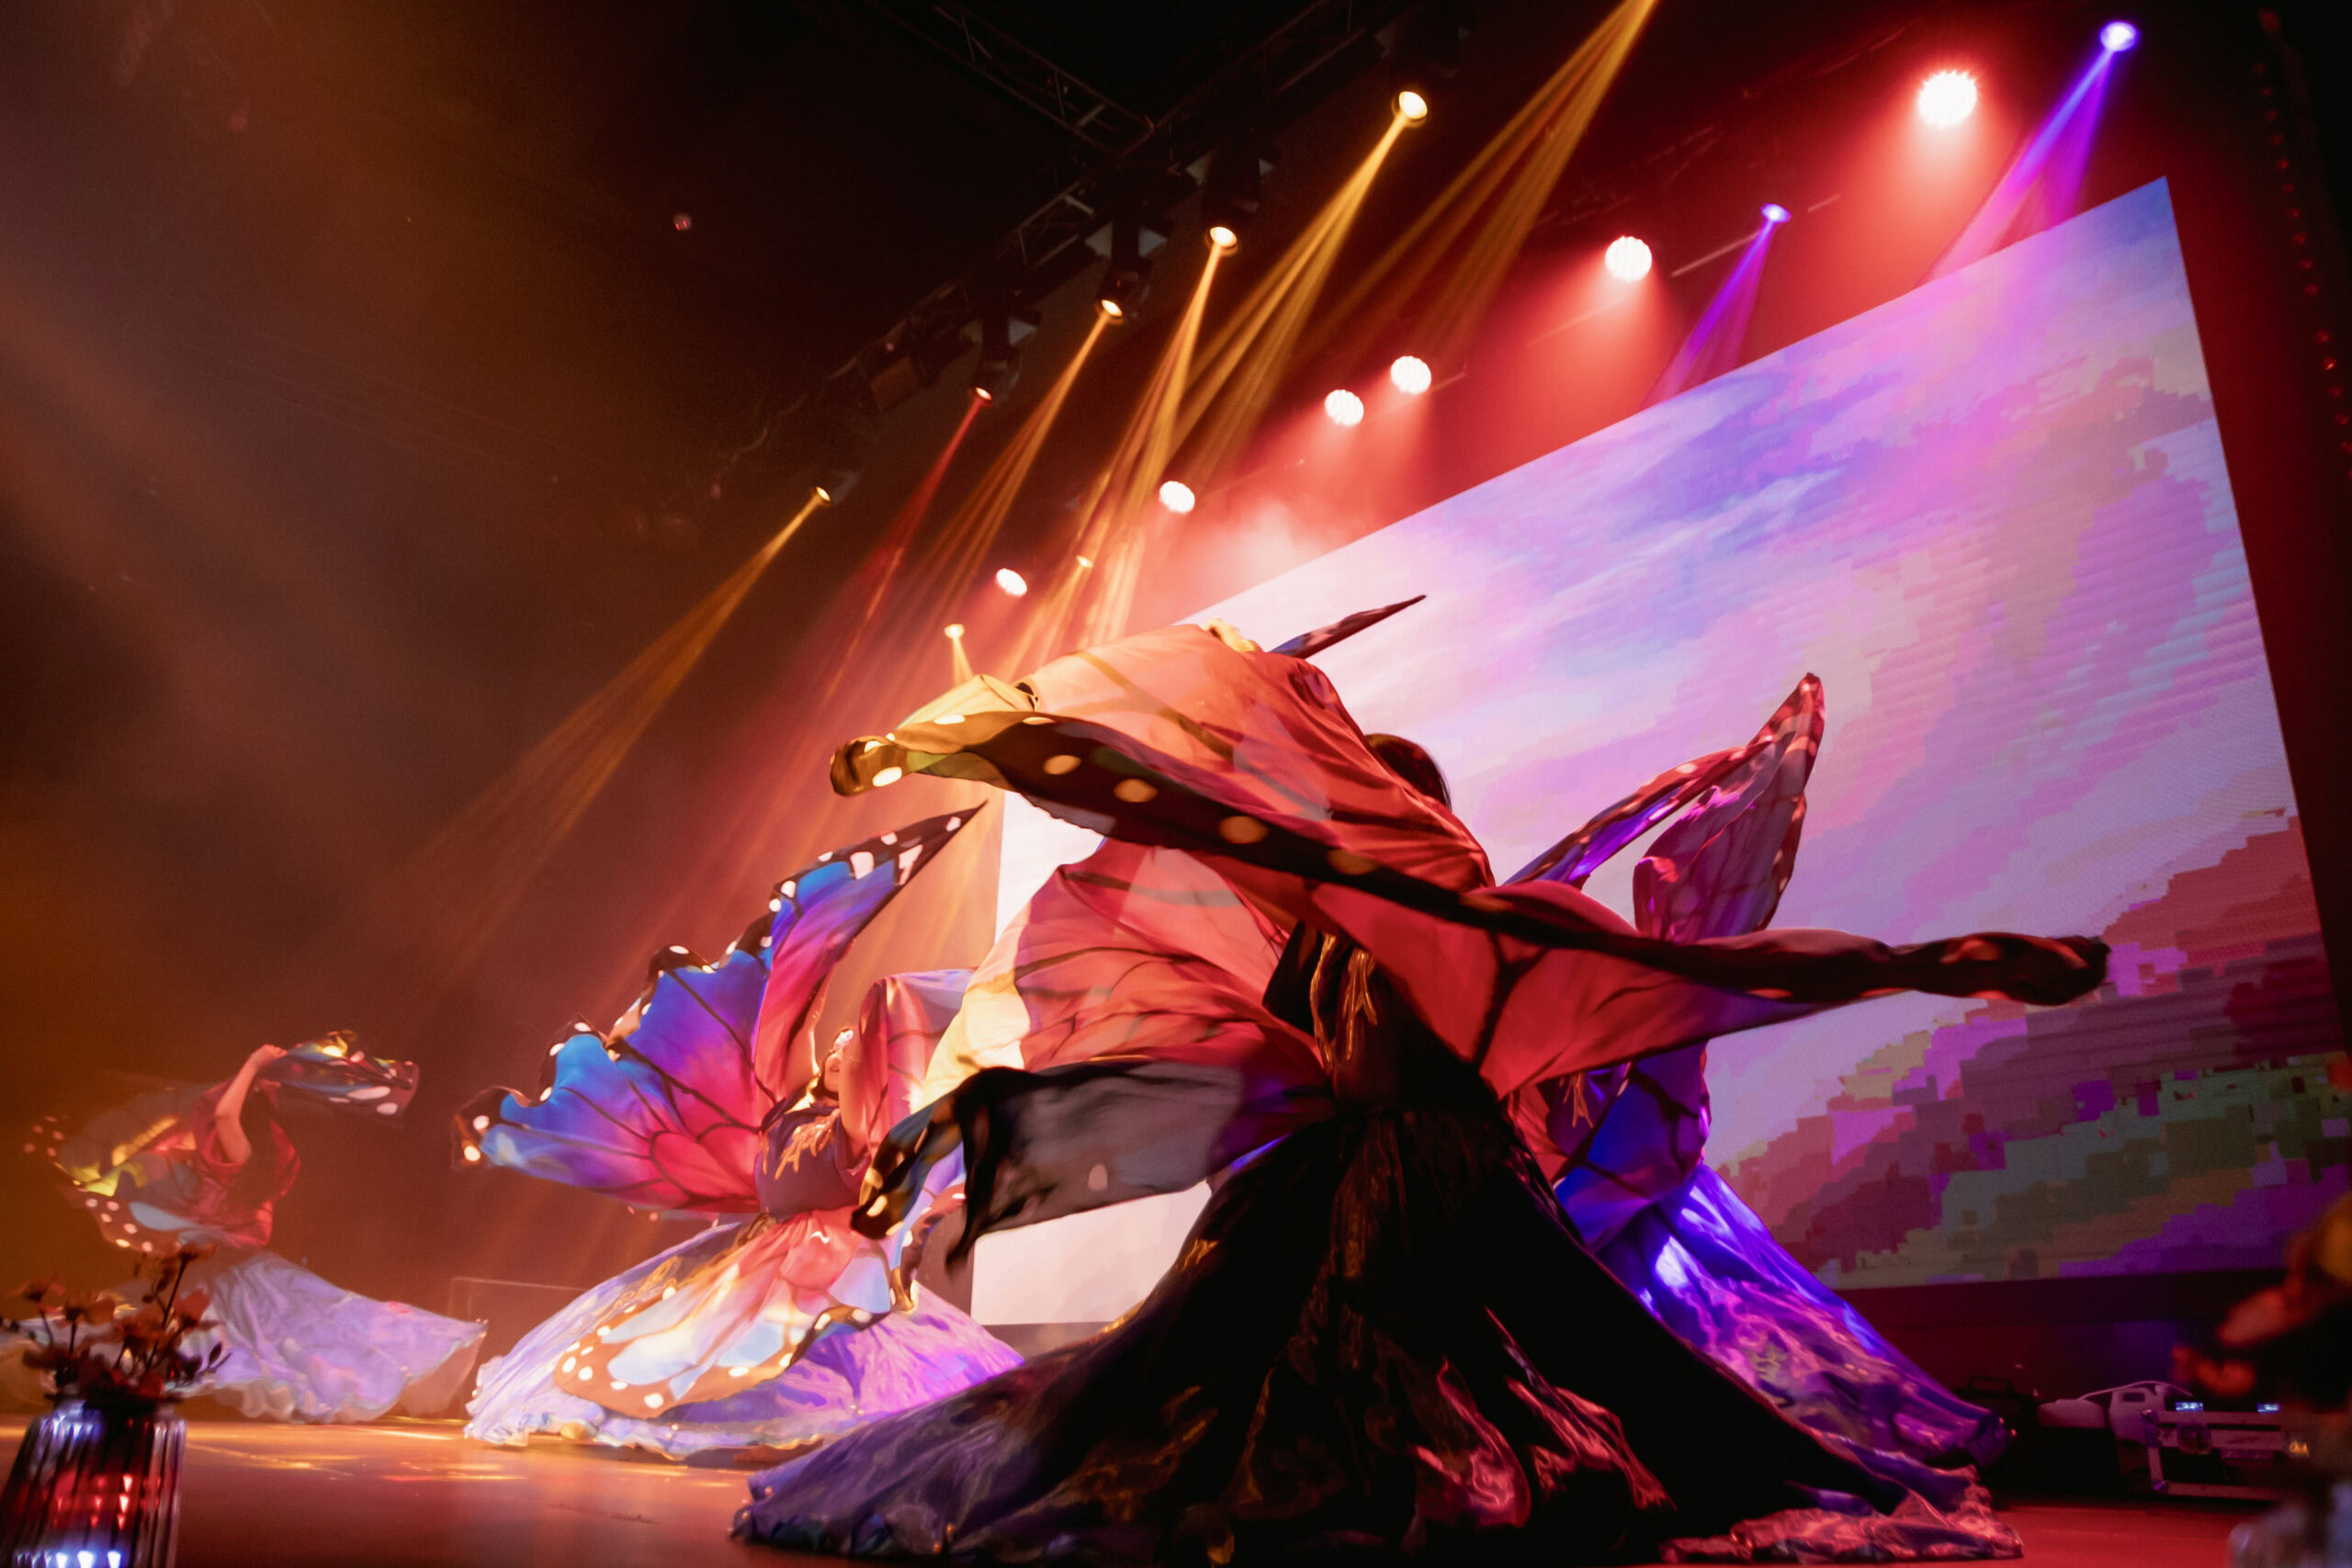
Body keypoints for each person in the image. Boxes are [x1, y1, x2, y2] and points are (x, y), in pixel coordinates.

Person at [735, 615, 2106, 1561]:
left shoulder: (1460, 937)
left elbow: (1700, 969)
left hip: (1426, 1179)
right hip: (1374, 1184)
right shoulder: (1314, 928)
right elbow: (1186, 863)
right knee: (1235, 1394)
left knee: (1557, 1380)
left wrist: (1939, 962)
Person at [459, 810, 1022, 1461]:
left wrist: (874, 1030)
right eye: (838, 1043)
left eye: (853, 1048)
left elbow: (876, 1050)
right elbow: (792, 1018)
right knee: (682, 1334)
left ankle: (798, 1430)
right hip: (759, 1248)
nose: (842, 1046)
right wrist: (817, 944)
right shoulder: (788, 1105)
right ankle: (690, 1415)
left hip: (827, 1258)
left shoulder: (857, 1128)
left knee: (811, 1345)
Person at [40, 1033, 487, 1423]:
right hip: (228, 1265)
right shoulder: (259, 1152)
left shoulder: (238, 1150)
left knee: (269, 1342)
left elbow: (223, 1116)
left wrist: (252, 1065)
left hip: (223, 1270)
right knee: (281, 1334)